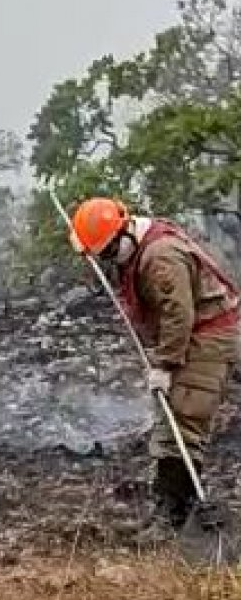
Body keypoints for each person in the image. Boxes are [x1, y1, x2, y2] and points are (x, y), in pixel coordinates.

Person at [71, 198, 240, 537]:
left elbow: (179, 316)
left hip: (208, 338)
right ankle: (174, 510)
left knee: (182, 422)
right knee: (171, 424)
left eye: (106, 253)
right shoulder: (139, 248)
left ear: (125, 232)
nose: (105, 262)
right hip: (196, 334)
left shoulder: (160, 257)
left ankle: (174, 518)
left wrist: (164, 364)